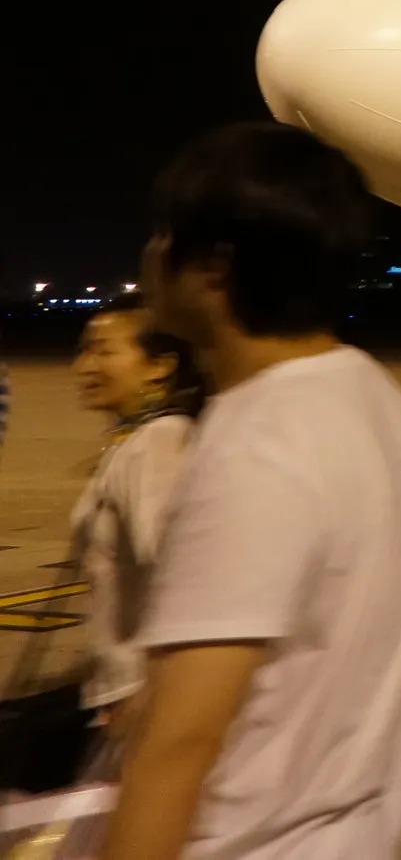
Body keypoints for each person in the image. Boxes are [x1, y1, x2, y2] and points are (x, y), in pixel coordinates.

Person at [104, 121, 401, 860]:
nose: (150, 254)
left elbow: (182, 741)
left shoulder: (257, 442)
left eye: (165, 234)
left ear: (214, 264)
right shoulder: (383, 404)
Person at [70, 301, 206, 733]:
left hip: (144, 700)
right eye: (85, 351)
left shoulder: (157, 444)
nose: (85, 365)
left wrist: (150, 698)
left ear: (159, 367)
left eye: (104, 351)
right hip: (128, 694)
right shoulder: (136, 441)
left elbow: (181, 579)